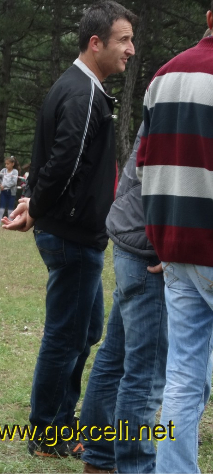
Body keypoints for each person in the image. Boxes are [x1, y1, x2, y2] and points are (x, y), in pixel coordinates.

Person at [3, 0, 136, 459]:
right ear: (95, 43)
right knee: (66, 336)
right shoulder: (82, 93)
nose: (131, 49)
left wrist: (35, 204)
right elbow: (63, 164)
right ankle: (48, 433)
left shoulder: (82, 88)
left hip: (75, 234)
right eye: (124, 40)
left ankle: (61, 420)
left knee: (85, 330)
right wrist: (39, 208)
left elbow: (53, 161)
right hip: (73, 236)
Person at [137, 0, 213, 474]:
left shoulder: (163, 76)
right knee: (184, 374)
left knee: (183, 376)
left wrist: (163, 237)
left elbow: (144, 164)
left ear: (209, 19)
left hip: (176, 247)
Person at [79, 124, 167, 474]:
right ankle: (134, 466)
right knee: (144, 374)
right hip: (151, 244)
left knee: (115, 357)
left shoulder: (161, 93)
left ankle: (100, 460)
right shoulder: (191, 95)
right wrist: (173, 240)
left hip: (134, 235)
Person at [0, 156, 19, 225]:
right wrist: (1, 183)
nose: (6, 165)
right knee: (1, 209)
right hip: (3, 192)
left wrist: (5, 185)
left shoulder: (15, 171)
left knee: (10, 209)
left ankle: (10, 224)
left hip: (11, 192)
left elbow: (14, 182)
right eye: (5, 164)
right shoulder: (3, 170)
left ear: (12, 164)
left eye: (8, 164)